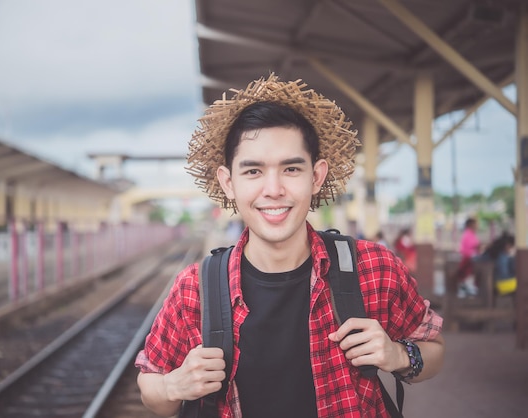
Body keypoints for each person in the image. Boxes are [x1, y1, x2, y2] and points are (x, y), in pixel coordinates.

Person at [135, 74, 444, 417]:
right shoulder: (194, 290)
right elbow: (151, 384)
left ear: (316, 177)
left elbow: (432, 348)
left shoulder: (374, 267)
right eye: (253, 171)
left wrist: (400, 356)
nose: (274, 189)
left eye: (291, 169)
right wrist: (173, 386)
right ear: (228, 183)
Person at [456, 217, 481, 298]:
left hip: (472, 257)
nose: (477, 226)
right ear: (470, 224)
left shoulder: (472, 234)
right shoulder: (467, 234)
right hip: (468, 258)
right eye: (475, 224)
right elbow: (472, 247)